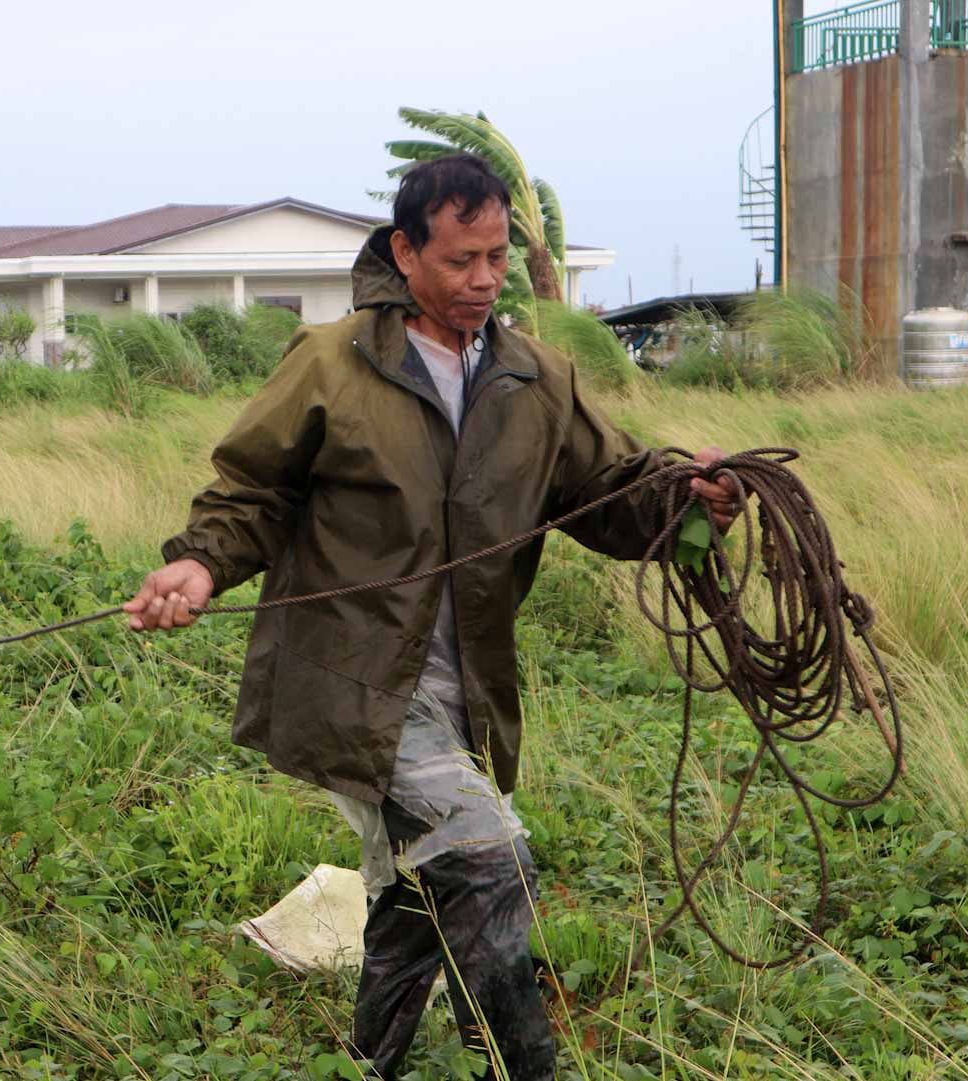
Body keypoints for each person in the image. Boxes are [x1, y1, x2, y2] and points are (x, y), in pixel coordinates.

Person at [124, 153, 740, 1080]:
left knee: (420, 890)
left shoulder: (537, 377)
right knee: (489, 862)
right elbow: (252, 489)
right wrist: (200, 564)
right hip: (355, 682)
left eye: (496, 256)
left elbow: (607, 494)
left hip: (470, 694)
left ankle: (368, 1065)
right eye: (461, 260)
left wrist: (685, 502)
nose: (485, 280)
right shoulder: (332, 362)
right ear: (405, 253)